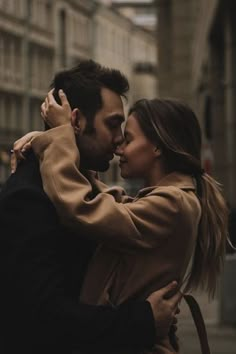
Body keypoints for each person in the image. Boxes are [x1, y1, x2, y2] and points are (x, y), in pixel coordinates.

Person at [13, 90, 229, 353]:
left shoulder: (172, 204)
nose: (119, 148)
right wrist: (50, 142)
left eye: (128, 139)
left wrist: (59, 137)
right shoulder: (169, 200)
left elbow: (83, 208)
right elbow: (113, 202)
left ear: (157, 146)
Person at [0, 60, 181, 354]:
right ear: (75, 121)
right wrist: (144, 321)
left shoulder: (75, 187)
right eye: (112, 124)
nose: (120, 138)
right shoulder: (29, 198)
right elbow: (45, 319)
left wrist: (46, 142)